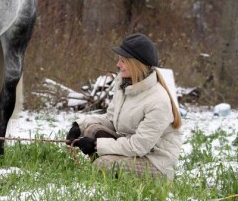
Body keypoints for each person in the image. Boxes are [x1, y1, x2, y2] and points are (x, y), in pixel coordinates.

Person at [66, 33, 182, 180]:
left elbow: (138, 146)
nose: (117, 65)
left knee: (103, 165)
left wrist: (96, 145)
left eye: (123, 61)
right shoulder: (125, 85)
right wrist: (79, 126)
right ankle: (106, 176)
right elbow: (111, 119)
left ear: (136, 64)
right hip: (133, 148)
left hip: (155, 161)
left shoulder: (158, 101)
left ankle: (108, 177)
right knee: (91, 130)